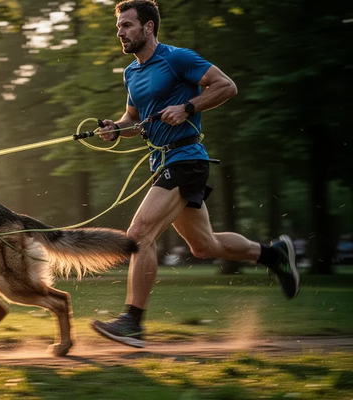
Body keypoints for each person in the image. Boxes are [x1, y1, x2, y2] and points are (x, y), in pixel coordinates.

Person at [90, 0, 299, 348]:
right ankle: (273, 254)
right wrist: (115, 129)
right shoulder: (132, 73)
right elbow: (134, 121)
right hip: (163, 162)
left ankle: (133, 322)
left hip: (186, 159)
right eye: (119, 26)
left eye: (127, 25)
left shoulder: (177, 58)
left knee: (139, 233)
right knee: (204, 246)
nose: (120, 32)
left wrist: (188, 107)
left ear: (148, 27)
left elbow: (226, 86)